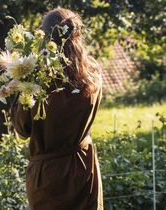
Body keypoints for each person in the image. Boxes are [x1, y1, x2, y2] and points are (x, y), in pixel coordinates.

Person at [10, 8, 103, 210]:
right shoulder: (92, 74)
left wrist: (18, 87)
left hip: (47, 177)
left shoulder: (36, 81)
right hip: (83, 167)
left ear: (44, 36)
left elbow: (22, 130)